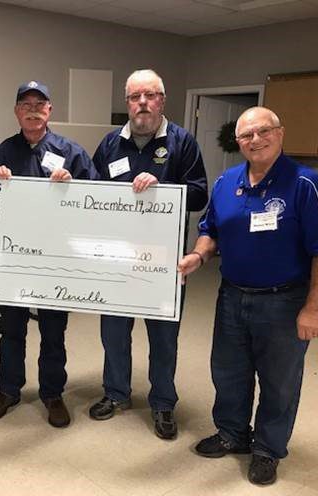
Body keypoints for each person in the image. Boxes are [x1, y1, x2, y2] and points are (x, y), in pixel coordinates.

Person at [178, 106, 318, 485]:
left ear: (279, 133)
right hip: (232, 296)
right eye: (247, 135)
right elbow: (210, 229)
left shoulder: (305, 183)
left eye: (264, 131)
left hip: (284, 301)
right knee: (228, 372)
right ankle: (232, 433)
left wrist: (314, 308)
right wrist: (198, 255)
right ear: (238, 142)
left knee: (279, 381)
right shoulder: (226, 182)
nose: (256, 139)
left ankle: (268, 449)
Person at [89, 69, 208, 439]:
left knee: (163, 338)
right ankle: (116, 393)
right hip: (116, 259)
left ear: (162, 100)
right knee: (113, 332)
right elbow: (91, 192)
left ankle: (163, 402)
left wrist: (164, 187)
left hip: (163, 261)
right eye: (135, 96)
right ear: (127, 102)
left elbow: (200, 194)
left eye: (150, 95)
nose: (142, 103)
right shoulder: (110, 144)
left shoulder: (182, 142)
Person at [0, 81, 96, 428]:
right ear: (17, 112)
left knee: (53, 331)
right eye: (25, 104)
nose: (32, 110)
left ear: (49, 110)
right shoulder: (2, 153)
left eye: (39, 104)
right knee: (11, 330)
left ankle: (52, 394)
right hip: (13, 258)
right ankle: (8, 390)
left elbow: (97, 200)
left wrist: (73, 185)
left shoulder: (71, 153)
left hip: (55, 261)